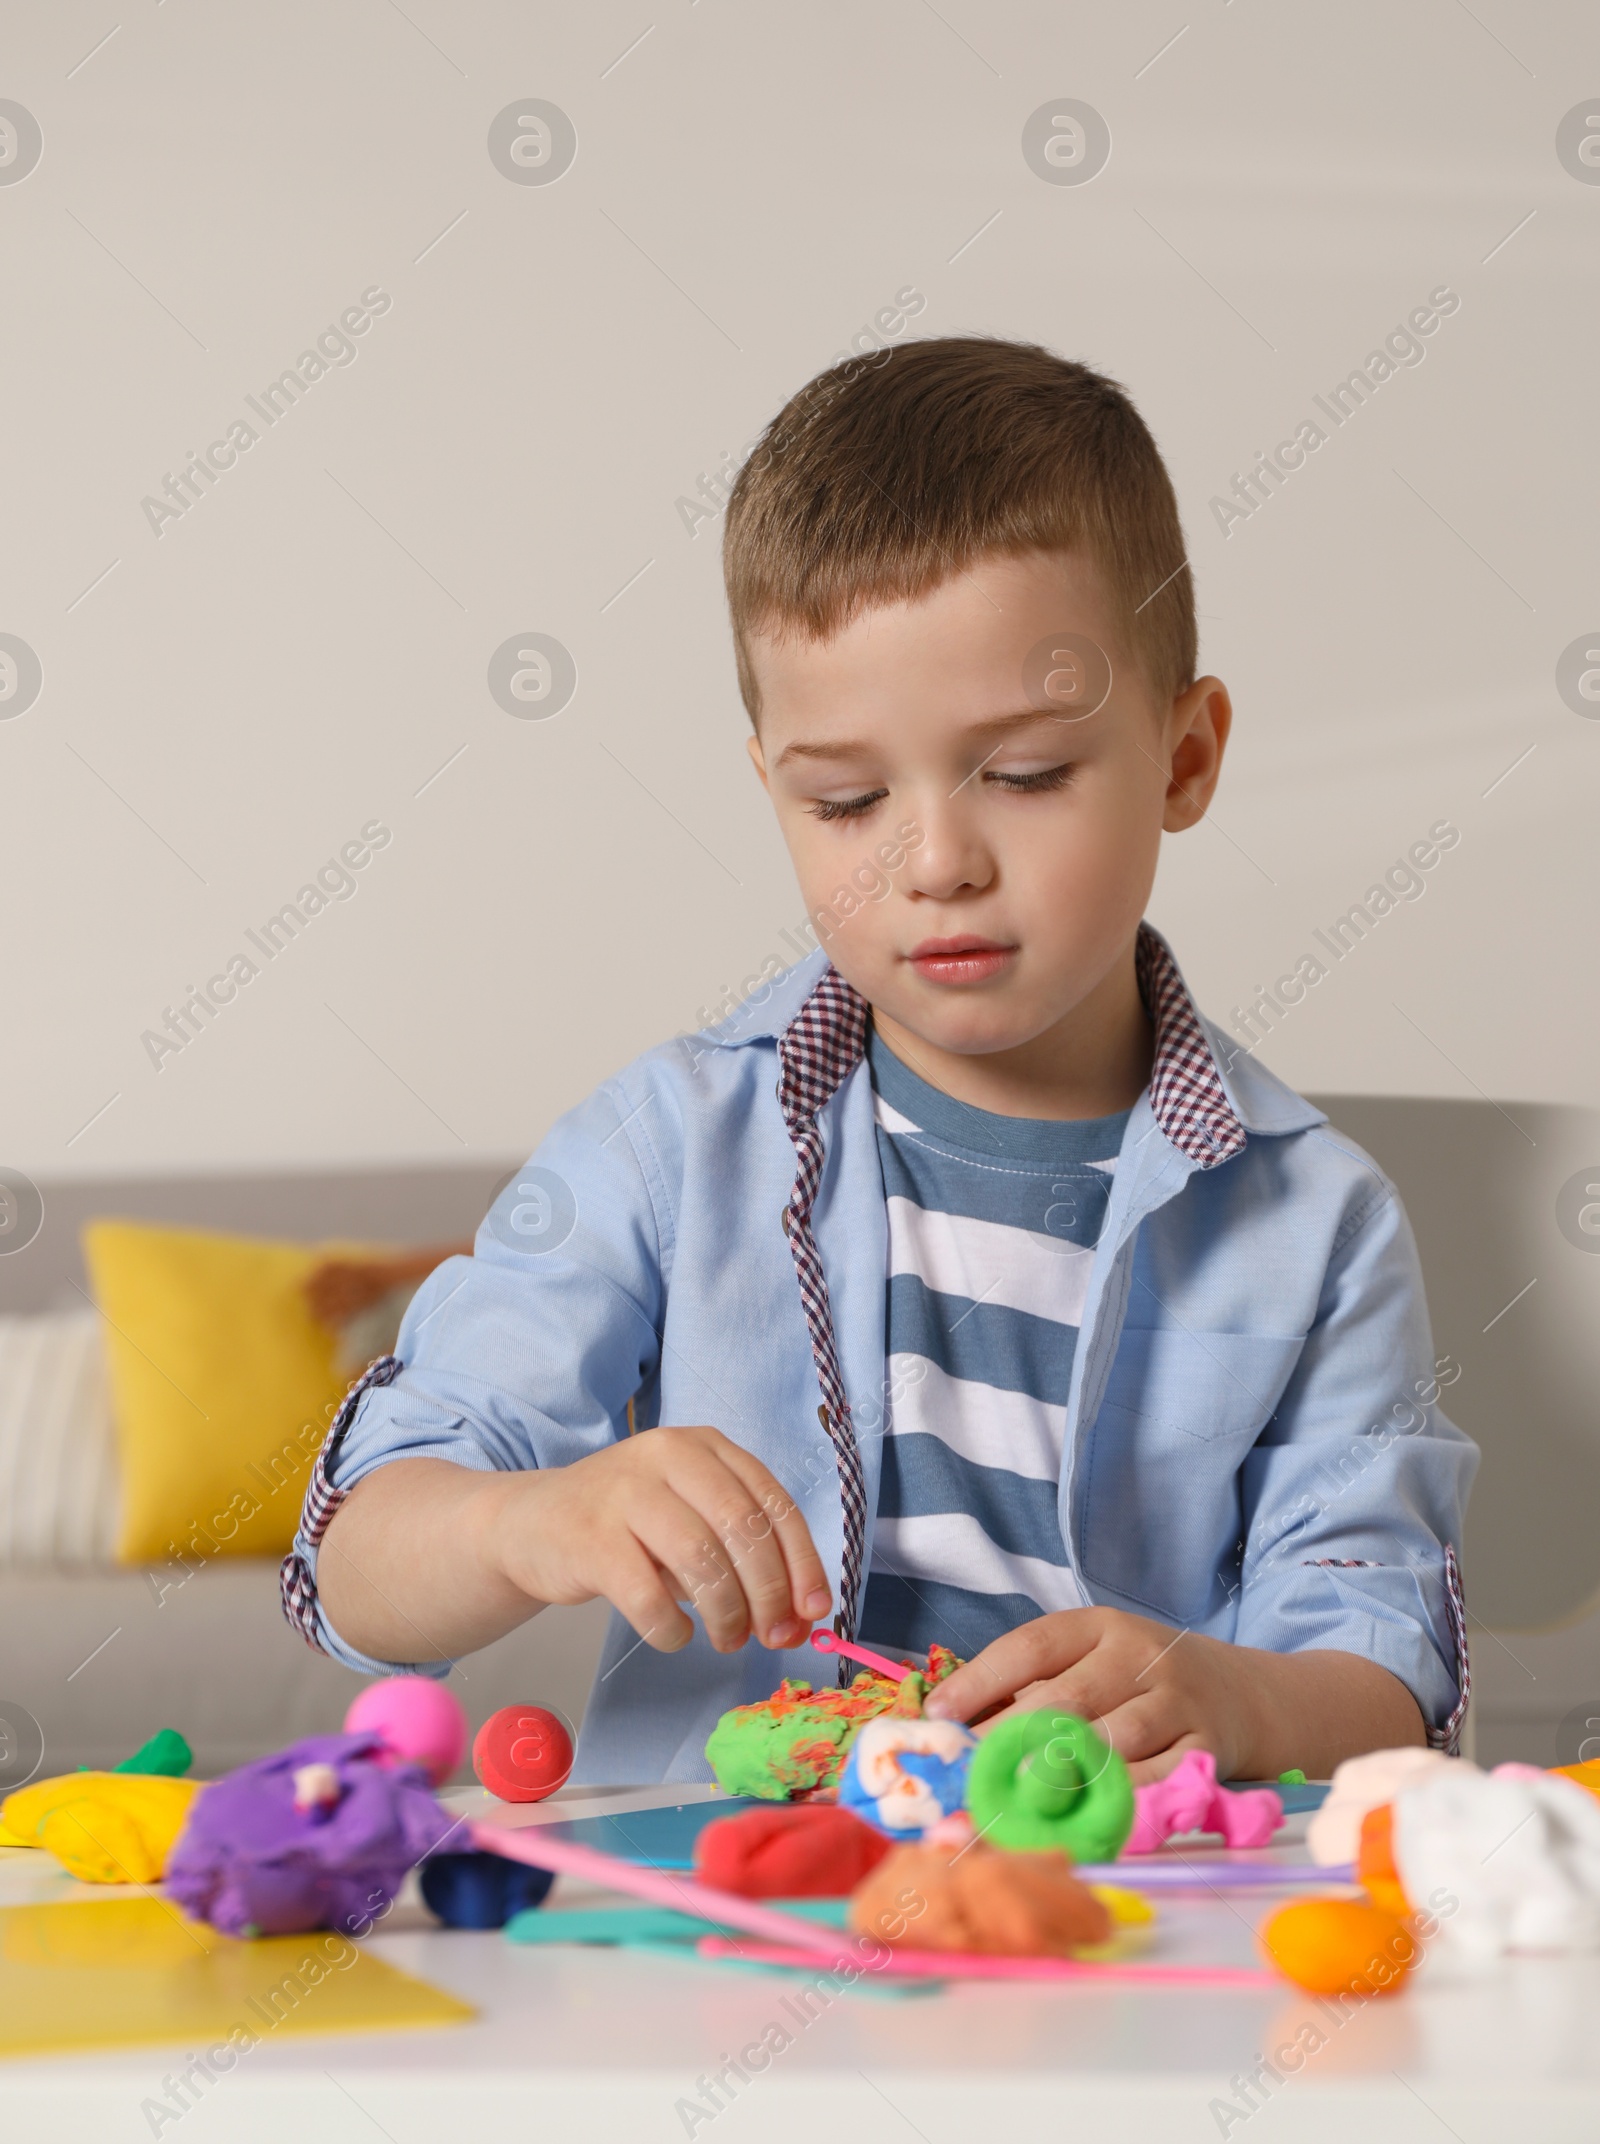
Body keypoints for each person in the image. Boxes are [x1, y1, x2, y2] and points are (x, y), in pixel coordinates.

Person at [284, 337, 1476, 1783]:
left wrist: (1238, 1701)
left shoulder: (1316, 1227)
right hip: (730, 1910)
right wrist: (523, 1523)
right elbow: (355, 1565)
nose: (935, 863)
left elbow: (1381, 1658)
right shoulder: (671, 1149)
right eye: (846, 800)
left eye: (1027, 775)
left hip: (1134, 1931)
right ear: (772, 787)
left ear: (1183, 758)